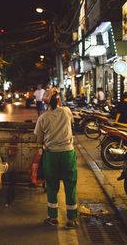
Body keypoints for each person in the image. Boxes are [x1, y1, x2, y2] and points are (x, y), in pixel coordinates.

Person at [34, 87, 78, 229]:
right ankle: (71, 220)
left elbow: (39, 139)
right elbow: (71, 125)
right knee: (70, 186)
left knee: (52, 186)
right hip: (68, 153)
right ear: (58, 100)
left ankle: (53, 218)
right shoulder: (66, 112)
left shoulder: (43, 118)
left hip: (51, 154)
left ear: (45, 103)